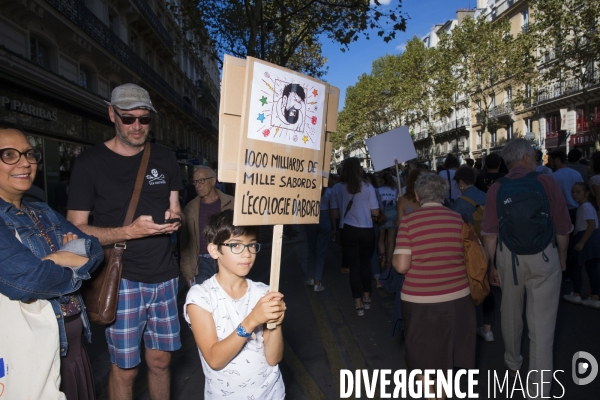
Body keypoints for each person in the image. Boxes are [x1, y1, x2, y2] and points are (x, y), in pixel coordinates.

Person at [67, 84, 184, 400]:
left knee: (161, 361)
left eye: (144, 120)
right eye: (128, 119)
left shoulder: (165, 157)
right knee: (126, 368)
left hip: (166, 276)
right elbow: (76, 228)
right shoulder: (88, 163)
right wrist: (129, 231)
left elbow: (176, 209)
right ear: (112, 114)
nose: (136, 127)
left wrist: (175, 218)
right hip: (122, 278)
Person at [0, 124, 103, 400]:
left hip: (73, 345)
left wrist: (52, 261)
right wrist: (67, 259)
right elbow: (26, 280)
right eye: (9, 155)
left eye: (29, 154)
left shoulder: (41, 209)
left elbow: (94, 251)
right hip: (29, 353)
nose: (25, 162)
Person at [481, 139, 571, 397]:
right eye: (534, 154)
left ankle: (513, 361)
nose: (536, 158)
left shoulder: (496, 188)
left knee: (510, 311)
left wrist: (491, 266)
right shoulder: (546, 182)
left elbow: (489, 233)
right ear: (526, 158)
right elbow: (563, 227)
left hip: (509, 257)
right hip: (544, 256)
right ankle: (539, 388)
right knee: (542, 326)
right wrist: (562, 256)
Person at [184, 209, 286, 399]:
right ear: (215, 250)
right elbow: (214, 359)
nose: (247, 254)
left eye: (252, 245)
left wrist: (277, 322)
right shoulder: (200, 297)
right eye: (236, 246)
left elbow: (273, 358)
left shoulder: (264, 292)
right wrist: (252, 320)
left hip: (271, 393)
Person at [392, 173, 475, 398]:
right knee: (447, 356)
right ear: (444, 195)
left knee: (423, 357)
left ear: (417, 196)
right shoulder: (458, 219)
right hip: (459, 299)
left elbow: (401, 266)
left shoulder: (409, 222)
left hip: (422, 303)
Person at [330, 157, 380, 316]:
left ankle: (358, 304)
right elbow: (376, 212)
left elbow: (334, 213)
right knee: (365, 264)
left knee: (354, 267)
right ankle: (367, 298)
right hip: (366, 230)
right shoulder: (368, 186)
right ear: (359, 169)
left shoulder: (337, 188)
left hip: (348, 230)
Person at [452, 166, 495, 342]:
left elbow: (455, 229)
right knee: (488, 287)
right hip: (490, 245)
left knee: (471, 287)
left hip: (471, 250)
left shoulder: (460, 202)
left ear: (461, 183)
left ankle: (469, 328)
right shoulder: (487, 197)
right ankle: (487, 329)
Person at [181, 166, 234, 287]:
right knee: (206, 302)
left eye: (201, 181)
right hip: (202, 263)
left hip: (227, 259)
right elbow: (185, 242)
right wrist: (187, 271)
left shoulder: (231, 204)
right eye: (195, 182)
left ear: (213, 181)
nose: (197, 185)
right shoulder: (190, 208)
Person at [562, 183, 600, 309]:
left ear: (587, 193)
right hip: (593, 239)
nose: (574, 195)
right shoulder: (588, 206)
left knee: (576, 266)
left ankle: (577, 293)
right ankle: (595, 296)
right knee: (592, 268)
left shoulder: (585, 207)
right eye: (573, 192)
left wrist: (581, 242)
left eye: (578, 192)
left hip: (585, 238)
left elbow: (591, 224)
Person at [305, 183, 334, 291]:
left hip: (311, 217)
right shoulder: (329, 191)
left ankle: (311, 277)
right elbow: (333, 209)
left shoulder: (309, 189)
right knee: (321, 252)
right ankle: (318, 282)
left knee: (311, 249)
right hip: (325, 217)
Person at [549, 148, 583, 223]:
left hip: (561, 211)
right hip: (577, 208)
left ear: (557, 160)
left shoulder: (553, 177)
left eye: (551, 160)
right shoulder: (576, 174)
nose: (550, 164)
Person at [377, 172, 398, 269]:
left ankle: (383, 256)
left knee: (381, 238)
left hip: (382, 214)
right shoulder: (395, 190)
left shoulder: (378, 190)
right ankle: (389, 262)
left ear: (383, 180)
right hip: (393, 213)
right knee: (391, 240)